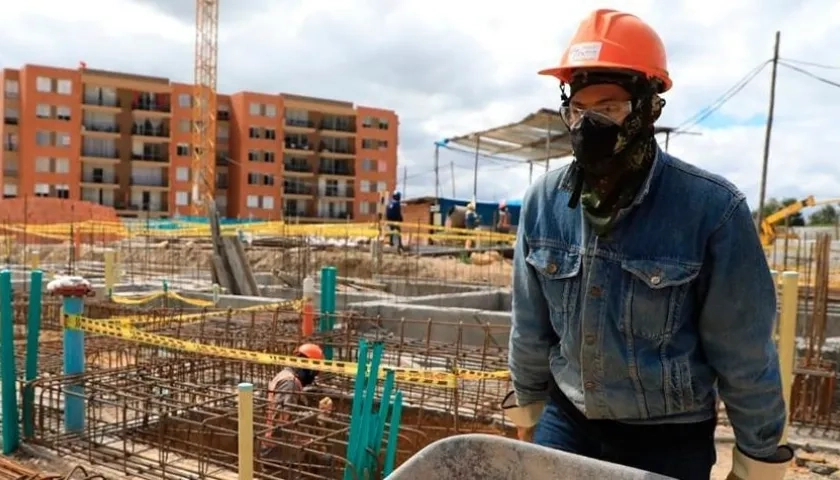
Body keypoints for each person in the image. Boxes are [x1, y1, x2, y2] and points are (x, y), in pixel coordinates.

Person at [503, 9, 792, 480]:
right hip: (568, 420)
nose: (587, 124)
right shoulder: (543, 203)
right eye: (578, 109)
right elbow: (530, 325)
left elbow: (744, 353)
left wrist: (757, 461)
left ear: (648, 108)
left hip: (667, 440)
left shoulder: (711, 210)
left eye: (609, 107)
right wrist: (528, 409)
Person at [263, 343, 325, 448]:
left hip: (283, 444)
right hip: (281, 448)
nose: (313, 379)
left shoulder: (285, 375)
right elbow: (282, 418)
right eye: (314, 374)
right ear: (309, 369)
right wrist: (316, 413)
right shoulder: (290, 382)